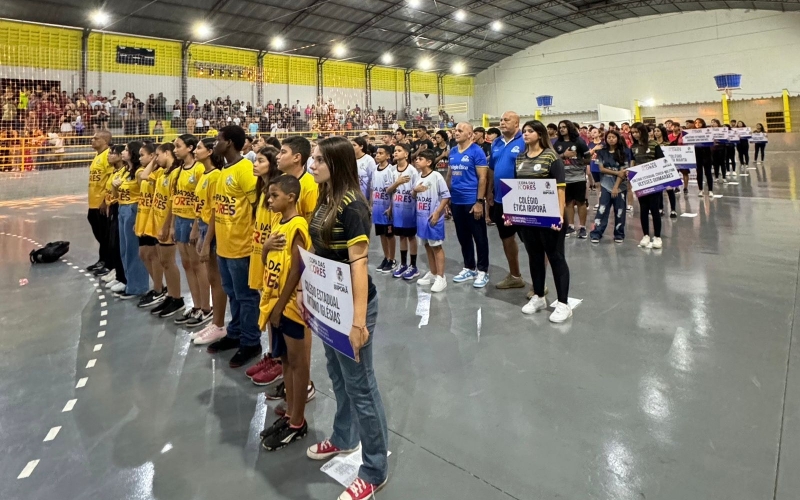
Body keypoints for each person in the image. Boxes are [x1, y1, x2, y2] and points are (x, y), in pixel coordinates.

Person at [303, 136, 389, 500]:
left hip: (353, 305)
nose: (312, 164)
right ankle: (343, 437)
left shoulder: (353, 206)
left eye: (319, 159)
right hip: (329, 304)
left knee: (361, 385)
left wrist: (358, 322)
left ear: (335, 164)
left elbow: (358, 265)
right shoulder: (325, 198)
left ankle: (373, 469)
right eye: (312, 157)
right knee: (338, 374)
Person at [258, 175, 312, 451]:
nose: (269, 200)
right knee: (286, 362)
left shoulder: (298, 224)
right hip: (277, 301)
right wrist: (265, 250)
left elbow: (298, 268)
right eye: (269, 195)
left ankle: (298, 423)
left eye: (275, 195)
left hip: (292, 306)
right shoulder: (279, 223)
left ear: (291, 197)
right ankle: (291, 412)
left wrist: (279, 306)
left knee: (298, 363)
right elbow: (273, 264)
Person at [206, 125, 263, 368]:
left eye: (218, 140)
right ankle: (235, 332)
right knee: (232, 292)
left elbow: (257, 207)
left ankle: (251, 342)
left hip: (241, 246)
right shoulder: (222, 172)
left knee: (246, 296)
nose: (214, 144)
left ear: (229, 143)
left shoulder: (245, 171)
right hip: (224, 245)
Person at [512, 120, 571, 323]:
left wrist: (559, 215)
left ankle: (563, 304)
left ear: (539, 134)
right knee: (534, 256)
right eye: (524, 131)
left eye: (530, 131)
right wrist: (512, 214)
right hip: (529, 218)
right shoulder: (520, 158)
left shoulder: (552, 157)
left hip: (550, 217)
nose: (526, 134)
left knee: (555, 257)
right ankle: (539, 296)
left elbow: (560, 189)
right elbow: (517, 188)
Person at [244, 145, 285, 384]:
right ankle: (272, 353)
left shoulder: (278, 191)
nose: (254, 163)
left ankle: (279, 360)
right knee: (266, 306)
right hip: (260, 252)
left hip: (272, 257)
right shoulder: (262, 190)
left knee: (274, 308)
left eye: (260, 160)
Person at [169, 134, 212, 326]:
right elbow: (174, 197)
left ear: (190, 147)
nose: (175, 149)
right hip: (179, 218)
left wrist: (196, 226)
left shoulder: (199, 169)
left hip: (192, 220)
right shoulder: (178, 171)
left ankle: (206, 307)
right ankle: (195, 305)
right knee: (186, 264)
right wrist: (171, 225)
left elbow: (201, 199)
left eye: (178, 146)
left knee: (197, 265)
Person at [192, 138, 229, 345]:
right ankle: (215, 322)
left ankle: (219, 324)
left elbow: (215, 210)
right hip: (205, 226)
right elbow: (202, 206)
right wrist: (198, 230)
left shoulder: (215, 176)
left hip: (213, 230)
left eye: (199, 148)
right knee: (212, 277)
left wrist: (207, 240)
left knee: (216, 279)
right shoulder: (205, 175)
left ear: (209, 152)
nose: (196, 151)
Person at [487, 111, 526, 290]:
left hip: (521, 199)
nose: (502, 122)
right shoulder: (496, 142)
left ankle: (539, 283)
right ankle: (515, 275)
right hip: (500, 198)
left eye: (506, 120)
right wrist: (489, 192)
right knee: (507, 239)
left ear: (517, 123)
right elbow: (492, 170)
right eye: (501, 119)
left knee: (533, 242)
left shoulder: (525, 141)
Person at [449, 122, 490, 288]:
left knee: (479, 237)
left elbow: (483, 178)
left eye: (460, 130)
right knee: (463, 236)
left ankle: (482, 270)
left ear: (470, 134)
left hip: (472, 201)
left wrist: (479, 202)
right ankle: (469, 267)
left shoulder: (476, 151)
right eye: (455, 130)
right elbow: (450, 175)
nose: (456, 132)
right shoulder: (452, 151)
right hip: (456, 201)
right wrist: (446, 198)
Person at [148, 143, 186, 319]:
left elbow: (173, 203)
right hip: (158, 221)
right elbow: (143, 176)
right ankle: (170, 295)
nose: (156, 159)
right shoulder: (163, 173)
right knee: (163, 261)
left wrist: (169, 226)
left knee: (169, 262)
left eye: (158, 155)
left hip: (167, 223)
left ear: (167, 153)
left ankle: (177, 298)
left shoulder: (176, 174)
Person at [110, 141, 150, 298]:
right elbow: (115, 196)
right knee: (125, 249)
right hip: (122, 208)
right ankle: (129, 281)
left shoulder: (139, 172)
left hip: (133, 209)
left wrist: (141, 217)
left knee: (133, 250)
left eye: (126, 150)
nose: (123, 152)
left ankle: (138, 286)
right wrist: (114, 186)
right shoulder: (126, 172)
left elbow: (145, 194)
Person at [134, 143, 167, 309]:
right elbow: (142, 178)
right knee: (143, 254)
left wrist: (155, 162)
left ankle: (159, 288)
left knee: (154, 255)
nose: (140, 158)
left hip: (155, 219)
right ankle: (158, 286)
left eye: (143, 155)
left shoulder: (161, 173)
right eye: (139, 155)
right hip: (143, 217)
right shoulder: (141, 171)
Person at [413, 149, 450, 292]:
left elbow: (446, 196)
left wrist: (437, 212)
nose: (416, 160)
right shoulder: (418, 176)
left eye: (420, 158)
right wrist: (415, 190)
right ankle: (433, 272)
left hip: (433, 217)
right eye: (416, 159)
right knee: (427, 245)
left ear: (429, 162)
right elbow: (413, 195)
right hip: (421, 217)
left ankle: (441, 277)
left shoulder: (436, 176)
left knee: (436, 246)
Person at [386, 143, 419, 279]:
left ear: (406, 154)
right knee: (401, 237)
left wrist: (414, 192)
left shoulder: (412, 171)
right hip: (397, 210)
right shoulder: (391, 170)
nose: (395, 153)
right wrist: (398, 183)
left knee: (411, 237)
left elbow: (415, 193)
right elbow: (388, 191)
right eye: (394, 151)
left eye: (399, 151)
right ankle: (404, 263)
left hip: (409, 210)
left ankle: (414, 265)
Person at [589, 130, 628, 243]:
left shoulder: (624, 152)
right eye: (609, 137)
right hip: (605, 185)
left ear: (618, 138)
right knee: (602, 209)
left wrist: (616, 187)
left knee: (620, 210)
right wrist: (616, 173)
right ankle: (596, 233)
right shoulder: (602, 152)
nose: (611, 139)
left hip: (621, 186)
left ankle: (619, 234)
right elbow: (601, 169)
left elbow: (623, 172)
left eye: (613, 137)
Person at [630, 122, 665, 249]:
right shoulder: (633, 147)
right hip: (640, 182)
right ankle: (645, 235)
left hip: (654, 181)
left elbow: (661, 161)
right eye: (632, 132)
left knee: (654, 209)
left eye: (636, 132)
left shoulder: (654, 144)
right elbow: (632, 163)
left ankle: (657, 237)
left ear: (642, 132)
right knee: (643, 209)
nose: (634, 135)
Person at [553, 120, 590, 238]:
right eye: (560, 127)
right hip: (564, 178)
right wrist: (564, 155)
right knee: (567, 203)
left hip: (578, 177)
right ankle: (571, 226)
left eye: (564, 127)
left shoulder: (579, 141)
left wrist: (577, 160)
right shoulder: (557, 143)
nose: (562, 129)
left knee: (580, 202)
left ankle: (582, 227)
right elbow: (553, 158)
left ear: (569, 128)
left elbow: (588, 159)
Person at [86, 131, 115, 276]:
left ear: (104, 140)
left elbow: (112, 177)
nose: (93, 140)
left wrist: (106, 200)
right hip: (93, 201)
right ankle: (102, 259)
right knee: (100, 232)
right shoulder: (97, 155)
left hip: (101, 203)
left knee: (105, 234)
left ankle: (109, 263)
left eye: (96, 138)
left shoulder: (107, 156)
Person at [102, 145, 129, 296]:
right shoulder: (114, 172)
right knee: (113, 242)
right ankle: (117, 272)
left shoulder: (125, 173)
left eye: (113, 153)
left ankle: (122, 276)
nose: (109, 155)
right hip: (112, 206)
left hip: (121, 206)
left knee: (119, 243)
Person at [371, 145, 397, 273]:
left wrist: (391, 207)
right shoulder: (375, 170)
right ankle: (386, 257)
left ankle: (392, 259)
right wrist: (371, 205)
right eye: (376, 153)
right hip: (377, 208)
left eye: (381, 153)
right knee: (381, 234)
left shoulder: (390, 170)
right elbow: (373, 189)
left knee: (389, 235)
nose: (377, 155)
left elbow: (393, 191)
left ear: (388, 156)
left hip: (387, 208)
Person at [653, 124, 677, 218]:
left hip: (667, 169)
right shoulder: (653, 144)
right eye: (655, 131)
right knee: (659, 190)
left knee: (670, 190)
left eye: (658, 131)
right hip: (657, 169)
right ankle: (660, 208)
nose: (656, 133)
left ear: (662, 132)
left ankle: (673, 210)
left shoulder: (668, 144)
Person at [694, 118, 714, 197]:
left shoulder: (707, 131)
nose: (697, 124)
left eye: (699, 122)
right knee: (699, 173)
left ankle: (710, 190)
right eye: (696, 123)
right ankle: (700, 189)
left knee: (708, 173)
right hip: (697, 154)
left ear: (703, 123)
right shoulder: (692, 132)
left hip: (707, 154)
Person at [669, 121, 691, 194]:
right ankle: (676, 187)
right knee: (675, 173)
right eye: (673, 126)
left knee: (685, 173)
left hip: (682, 156)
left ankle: (685, 187)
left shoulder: (683, 135)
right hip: (673, 157)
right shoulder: (669, 136)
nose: (674, 128)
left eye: (675, 126)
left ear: (678, 127)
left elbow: (688, 143)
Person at [353, 136, 377, 201]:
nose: (352, 147)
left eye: (354, 145)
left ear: (361, 147)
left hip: (365, 197)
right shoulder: (350, 159)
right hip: (352, 197)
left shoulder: (369, 160)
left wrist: (371, 200)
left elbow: (373, 180)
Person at [709, 119, 727, 184]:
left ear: (717, 123)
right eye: (712, 122)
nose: (713, 124)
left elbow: (726, 138)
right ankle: (716, 177)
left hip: (721, 148)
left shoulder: (722, 130)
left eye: (714, 122)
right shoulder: (709, 130)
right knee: (715, 163)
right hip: (713, 149)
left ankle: (724, 177)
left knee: (722, 163)